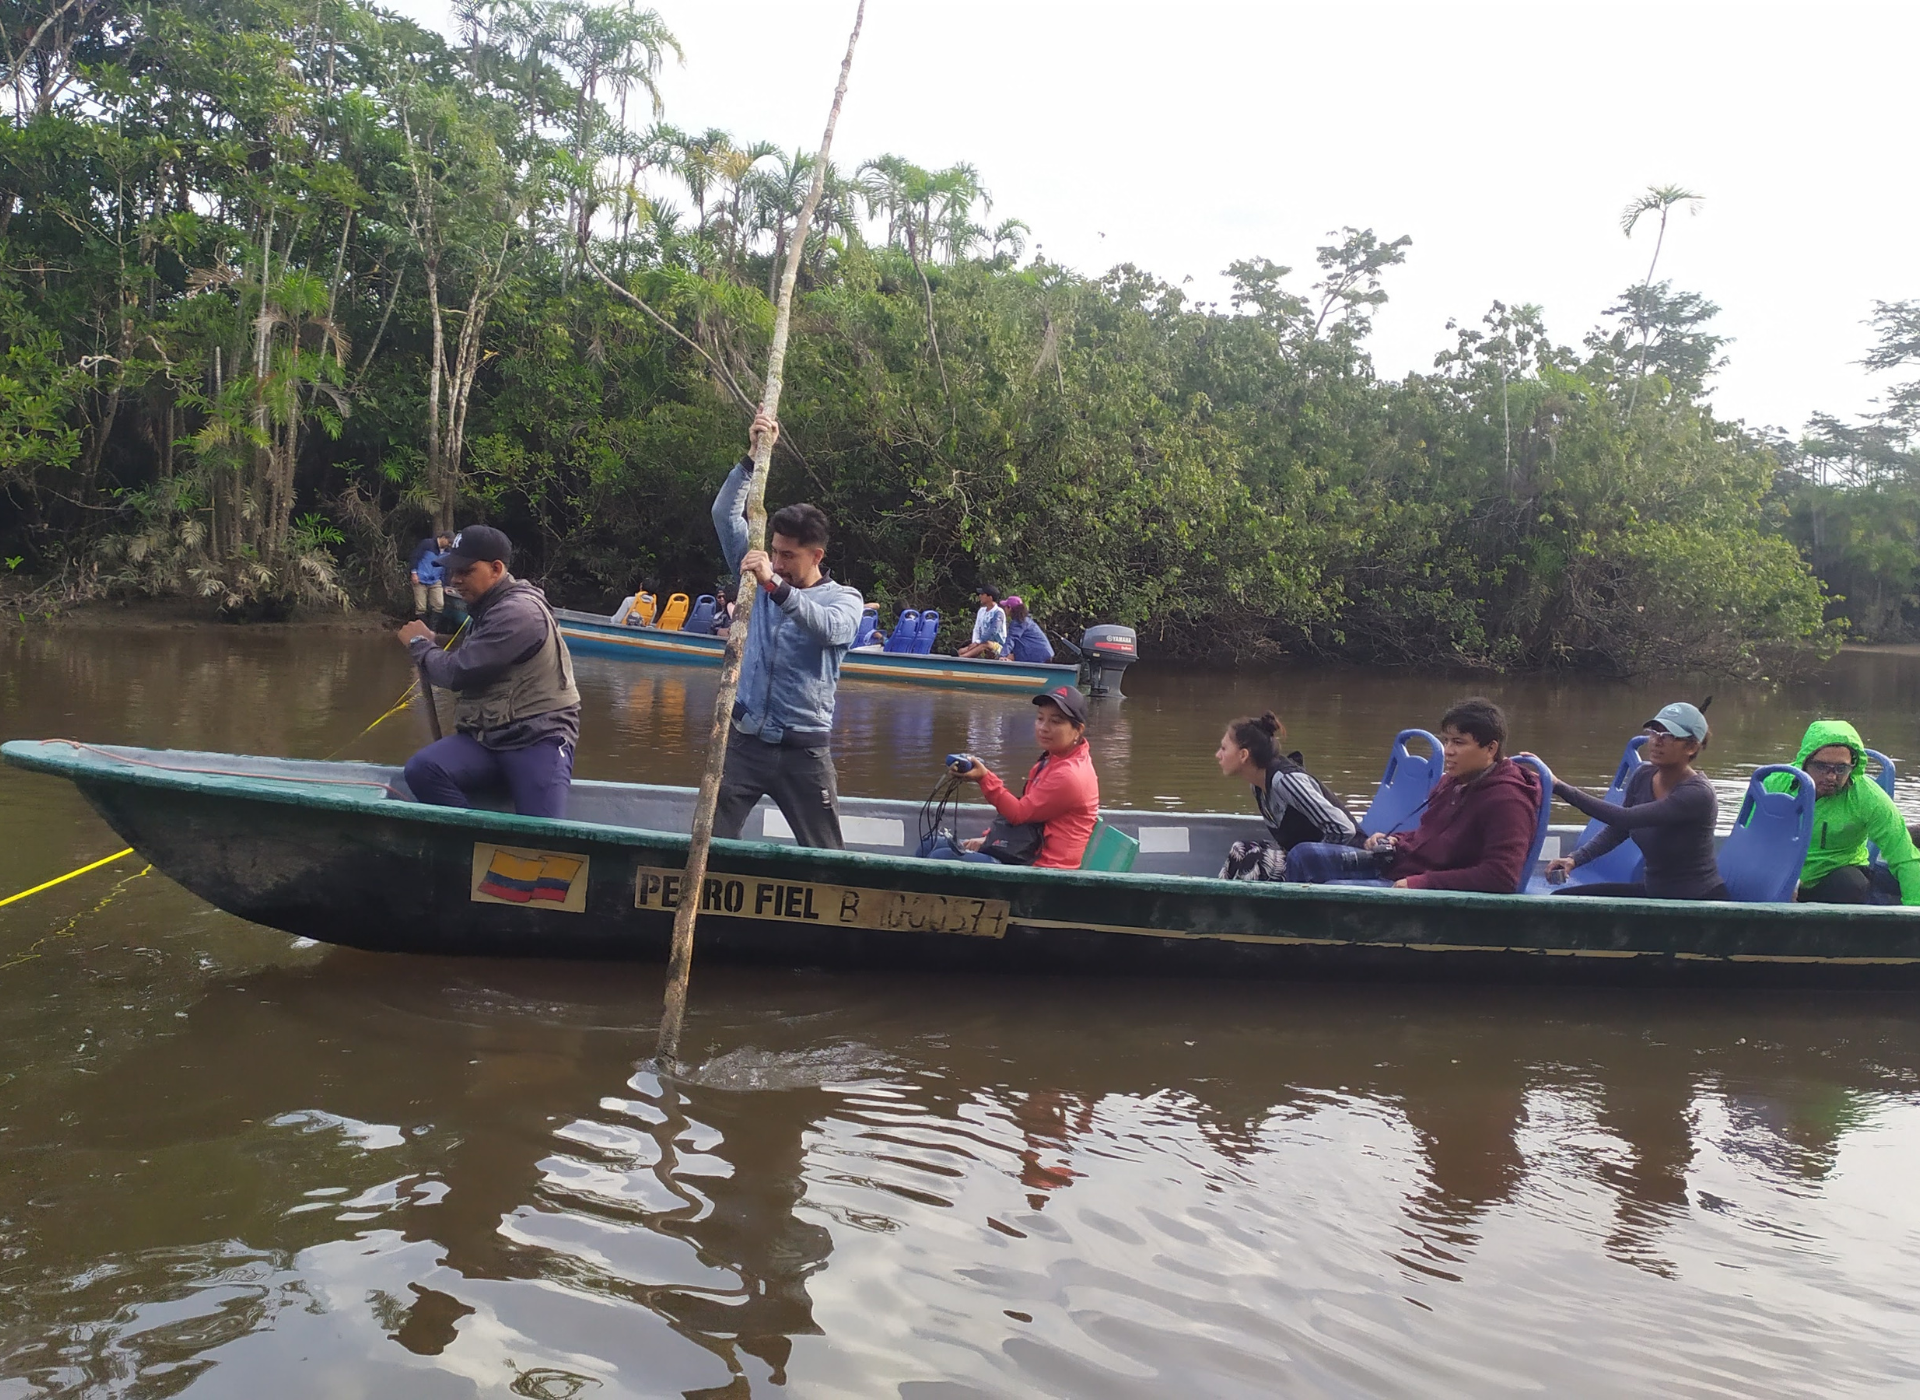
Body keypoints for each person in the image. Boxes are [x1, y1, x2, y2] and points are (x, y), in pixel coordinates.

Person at [711, 412, 865, 848]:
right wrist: (754, 457)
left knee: (824, 853)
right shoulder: (755, 578)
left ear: (815, 556)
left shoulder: (844, 599)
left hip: (804, 751)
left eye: (788, 556)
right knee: (710, 839)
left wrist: (774, 586)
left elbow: (830, 629)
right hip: (745, 742)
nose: (776, 563)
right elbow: (725, 514)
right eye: (773, 553)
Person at [398, 525, 580, 819]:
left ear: (496, 569)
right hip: (487, 740)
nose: (455, 580)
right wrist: (431, 645)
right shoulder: (485, 608)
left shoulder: (518, 613)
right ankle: (469, 848)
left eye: (465, 571)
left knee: (544, 833)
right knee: (423, 770)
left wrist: (419, 645)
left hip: (536, 739)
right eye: (452, 572)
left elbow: (456, 673)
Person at [1283, 697, 1540, 892]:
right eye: (1446, 741)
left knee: (1334, 889)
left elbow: (1502, 876)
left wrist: (1422, 883)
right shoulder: (1454, 781)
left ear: (1490, 748)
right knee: (1303, 854)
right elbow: (1428, 834)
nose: (1447, 751)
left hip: (1423, 886)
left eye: (1458, 743)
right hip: (1402, 864)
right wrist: (1395, 840)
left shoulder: (1508, 801)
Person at [1538, 702, 1728, 900]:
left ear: (1691, 747)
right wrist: (1574, 859)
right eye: (1654, 732)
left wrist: (1558, 786)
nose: (1656, 741)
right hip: (1655, 893)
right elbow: (1619, 829)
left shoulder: (1697, 794)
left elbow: (1625, 818)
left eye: (1668, 736)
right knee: (1561, 899)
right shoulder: (1643, 775)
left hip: (1696, 902)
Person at [943, 684, 1101, 867]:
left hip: (1044, 869)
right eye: (1040, 718)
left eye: (1055, 721)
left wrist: (984, 778)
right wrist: (990, 840)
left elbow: (1019, 814)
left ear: (1078, 729)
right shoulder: (1053, 758)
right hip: (1027, 851)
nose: (1043, 727)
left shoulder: (1070, 775)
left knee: (940, 856)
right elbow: (1028, 816)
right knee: (931, 846)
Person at [1767, 720, 1920, 905]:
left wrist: (1914, 910)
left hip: (1836, 876)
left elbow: (1903, 854)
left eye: (1841, 769)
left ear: (1853, 766)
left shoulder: (1869, 797)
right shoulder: (1772, 783)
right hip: (1781, 873)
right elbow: (1751, 841)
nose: (1831, 776)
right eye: (1821, 767)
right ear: (1805, 762)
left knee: (1852, 883)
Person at [1214, 712, 1357, 880]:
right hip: (1304, 858)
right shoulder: (1258, 785)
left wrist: (1311, 860)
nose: (1218, 755)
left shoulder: (1286, 781)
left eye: (1224, 748)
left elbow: (1344, 829)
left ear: (1243, 755)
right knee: (1240, 849)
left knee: (1258, 865)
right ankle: (1217, 898)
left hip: (1352, 858)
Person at [408, 532, 451, 623]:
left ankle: (432, 630)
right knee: (421, 607)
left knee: (439, 604)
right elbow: (415, 557)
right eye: (449, 542)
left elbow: (446, 569)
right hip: (420, 579)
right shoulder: (427, 544)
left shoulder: (448, 552)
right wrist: (414, 572)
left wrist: (445, 585)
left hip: (436, 580)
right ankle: (422, 629)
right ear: (443, 537)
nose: (449, 545)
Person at [958, 587, 1007, 659]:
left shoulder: (998, 612)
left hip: (999, 646)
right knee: (962, 650)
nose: (980, 596)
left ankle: (961, 657)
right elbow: (977, 628)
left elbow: (993, 630)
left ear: (990, 597)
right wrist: (974, 642)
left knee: (985, 644)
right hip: (981, 642)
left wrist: (978, 642)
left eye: (982, 594)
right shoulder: (981, 610)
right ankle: (960, 654)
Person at [1003, 596, 1055, 664]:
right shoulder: (1025, 620)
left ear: (1009, 608)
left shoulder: (1018, 622)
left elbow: (1011, 639)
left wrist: (1002, 655)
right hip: (1043, 653)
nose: (1004, 609)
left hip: (1038, 655)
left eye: (1005, 607)